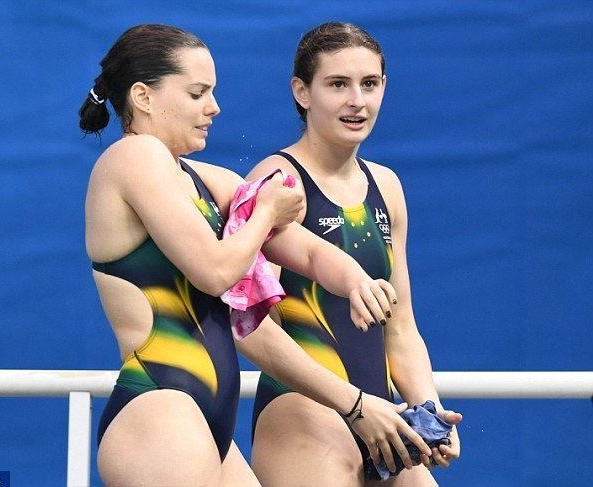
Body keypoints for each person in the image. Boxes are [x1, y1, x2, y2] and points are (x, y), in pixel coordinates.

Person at [80, 24, 434, 487]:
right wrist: (264, 212)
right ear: (144, 97)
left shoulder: (208, 180)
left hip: (208, 423)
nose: (214, 107)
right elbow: (214, 272)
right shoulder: (133, 157)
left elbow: (307, 250)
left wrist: (355, 280)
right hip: (160, 406)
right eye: (197, 93)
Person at [241, 22, 461, 486]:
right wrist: (350, 403)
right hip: (303, 410)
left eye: (369, 84)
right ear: (302, 91)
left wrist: (429, 411)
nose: (356, 101)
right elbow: (256, 329)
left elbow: (401, 328)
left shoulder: (388, 186)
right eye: (337, 84)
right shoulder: (278, 181)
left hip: (383, 415)